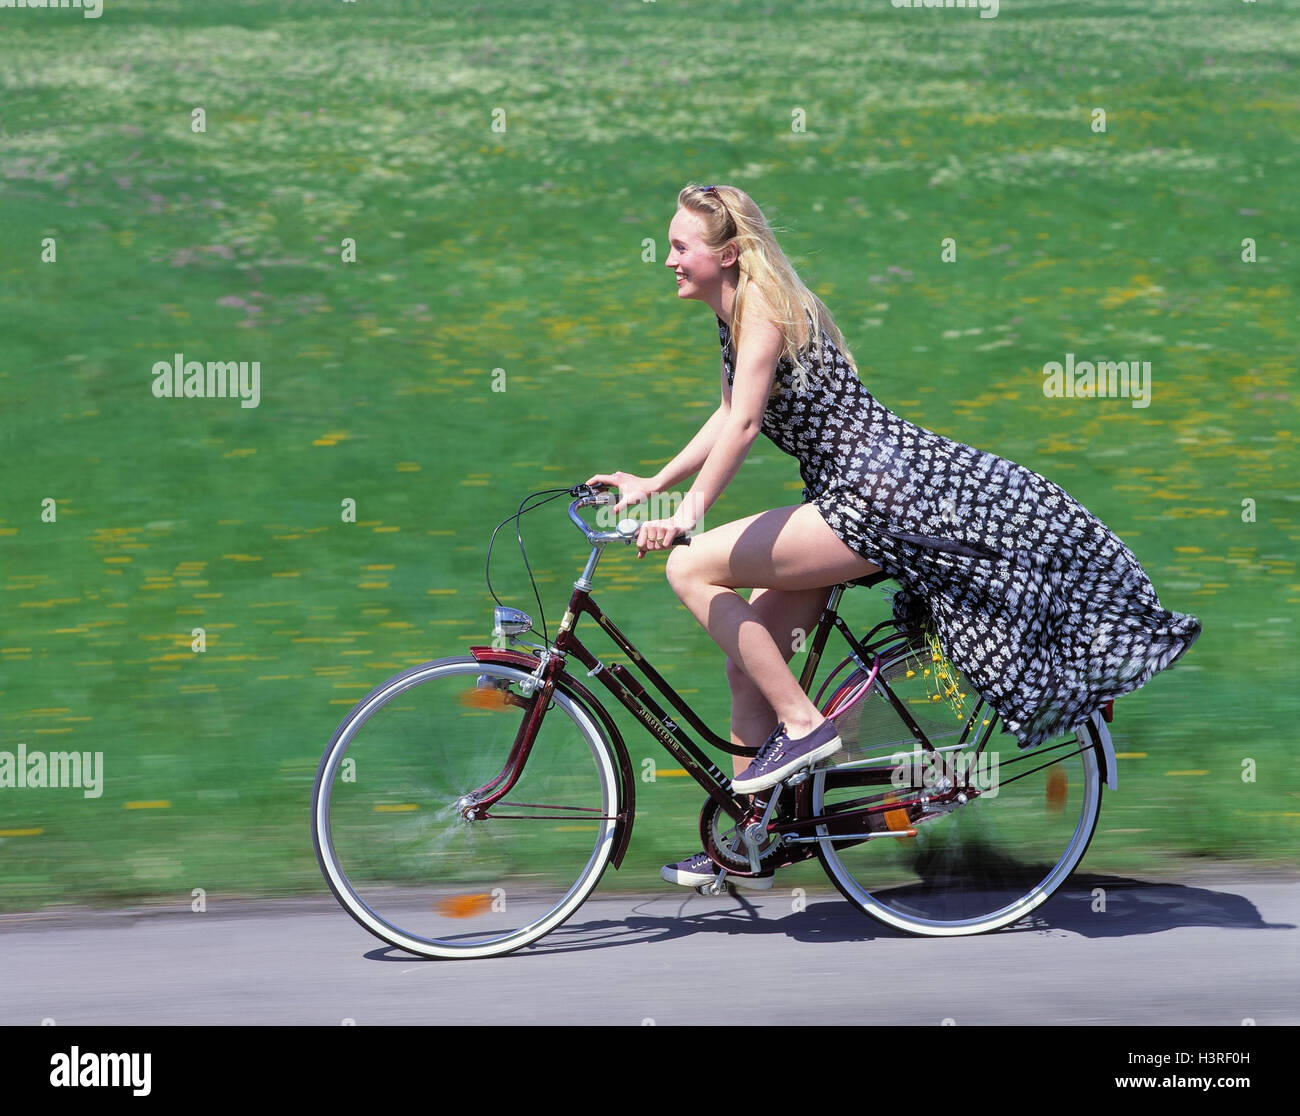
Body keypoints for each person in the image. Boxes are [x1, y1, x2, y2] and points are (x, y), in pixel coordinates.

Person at [586, 183, 1200, 891]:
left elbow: (749, 427)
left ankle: (804, 724)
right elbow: (728, 412)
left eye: (680, 247)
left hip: (872, 499)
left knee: (691, 569)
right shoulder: (735, 311)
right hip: (853, 493)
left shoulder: (761, 309)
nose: (667, 259)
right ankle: (753, 840)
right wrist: (652, 484)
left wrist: (686, 514)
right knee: (747, 657)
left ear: (726, 254)